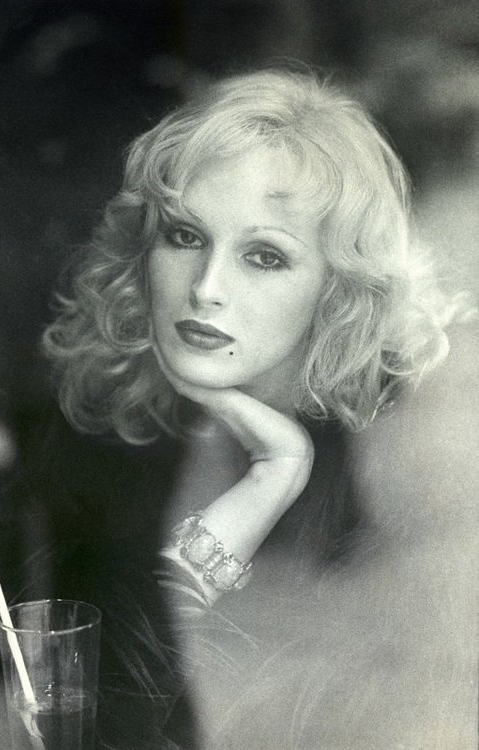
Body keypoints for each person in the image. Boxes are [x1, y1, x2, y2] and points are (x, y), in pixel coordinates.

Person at [40, 68, 477, 749]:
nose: (206, 288)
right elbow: (136, 677)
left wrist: (279, 469)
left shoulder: (433, 450)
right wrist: (274, 471)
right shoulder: (138, 425)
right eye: (185, 236)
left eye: (265, 256)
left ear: (338, 286)